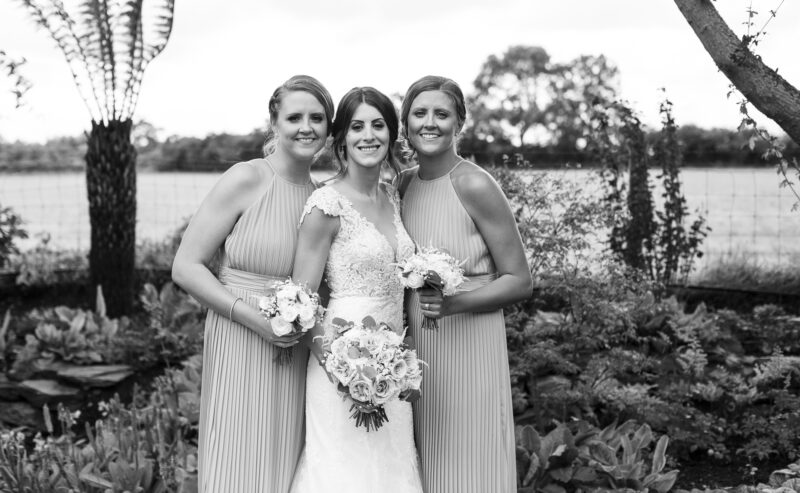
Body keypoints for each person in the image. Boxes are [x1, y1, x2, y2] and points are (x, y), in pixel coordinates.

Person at [171, 75, 334, 493]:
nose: (306, 127)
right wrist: (252, 318)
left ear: (329, 128)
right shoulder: (247, 178)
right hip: (238, 334)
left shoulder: (323, 200)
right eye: (294, 116)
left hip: (292, 347)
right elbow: (186, 267)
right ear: (274, 123)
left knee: (283, 461)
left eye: (317, 118)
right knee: (236, 457)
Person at [397, 75, 533, 493]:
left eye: (442, 113)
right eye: (419, 113)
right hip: (420, 344)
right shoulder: (403, 184)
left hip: (470, 339)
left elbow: (520, 280)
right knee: (427, 453)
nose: (429, 123)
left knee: (470, 454)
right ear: (405, 124)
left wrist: (455, 304)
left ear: (460, 122)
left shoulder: (474, 183)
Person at [289, 86, 423, 493]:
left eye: (378, 125)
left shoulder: (393, 197)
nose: (369, 135)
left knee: (391, 471)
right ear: (341, 137)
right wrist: (342, 369)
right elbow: (300, 304)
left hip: (393, 370)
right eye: (357, 126)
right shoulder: (326, 205)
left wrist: (388, 368)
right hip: (339, 367)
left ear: (391, 133)